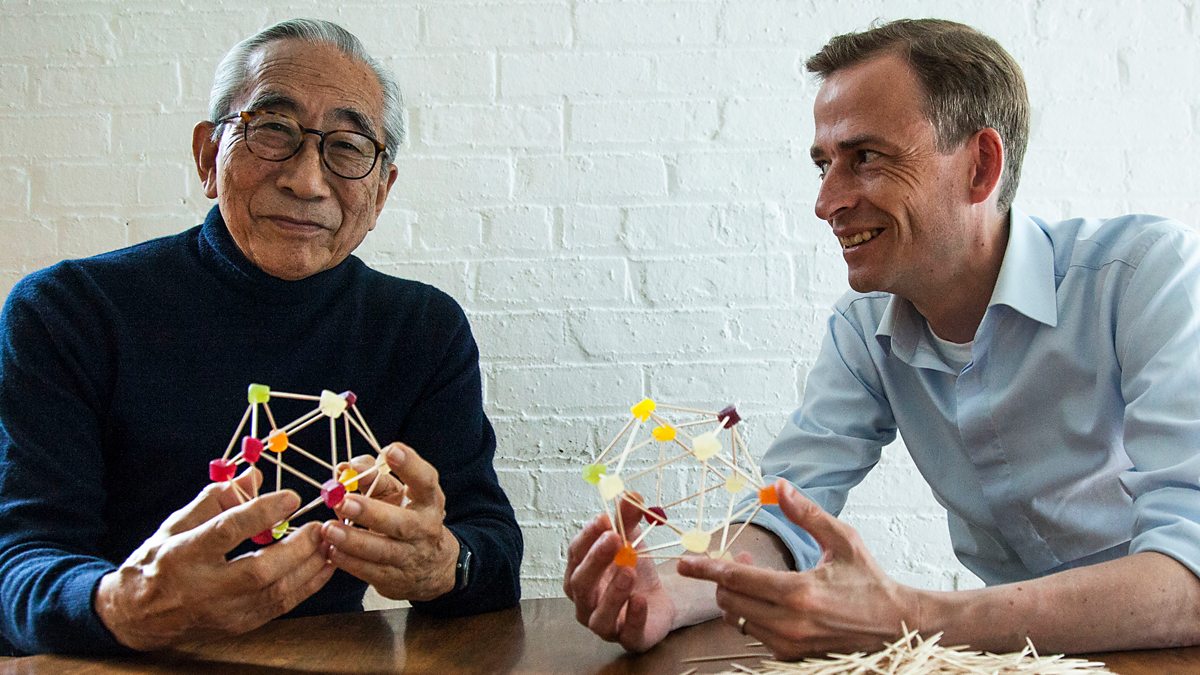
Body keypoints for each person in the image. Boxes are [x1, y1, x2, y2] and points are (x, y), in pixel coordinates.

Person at [564, 18, 1200, 659]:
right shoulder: (863, 329)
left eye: (865, 158)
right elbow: (787, 516)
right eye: (823, 165)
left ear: (980, 166)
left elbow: (1189, 583)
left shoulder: (1146, 276)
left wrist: (903, 616)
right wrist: (670, 596)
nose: (825, 202)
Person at [0, 18, 521, 655]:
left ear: (382, 191)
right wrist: (124, 604)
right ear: (207, 156)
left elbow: (492, 546)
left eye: (348, 147)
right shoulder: (67, 311)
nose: (307, 180)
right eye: (273, 130)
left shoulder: (421, 329)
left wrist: (445, 564)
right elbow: (18, 562)